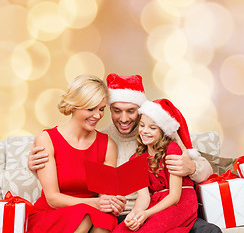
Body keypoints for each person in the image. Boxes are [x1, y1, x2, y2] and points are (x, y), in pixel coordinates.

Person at [28, 73, 221, 232]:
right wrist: (37, 168)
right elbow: (96, 188)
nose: (124, 118)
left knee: (209, 231)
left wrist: (192, 167)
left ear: (142, 110)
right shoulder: (103, 139)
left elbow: (206, 171)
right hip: (126, 215)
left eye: (131, 111)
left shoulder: (160, 134)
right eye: (116, 110)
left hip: (165, 209)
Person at [27, 75, 118, 233]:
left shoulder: (108, 145)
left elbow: (105, 197)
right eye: (91, 109)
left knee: (104, 220)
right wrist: (97, 203)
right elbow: (53, 199)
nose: (97, 116)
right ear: (74, 106)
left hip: (90, 212)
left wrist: (112, 202)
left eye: (101, 109)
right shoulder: (47, 139)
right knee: (85, 216)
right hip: (51, 214)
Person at [113, 98, 198, 233]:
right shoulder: (135, 158)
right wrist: (134, 215)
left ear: (163, 131)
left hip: (180, 202)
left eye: (152, 128)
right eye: (142, 125)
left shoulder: (172, 149)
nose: (145, 131)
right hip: (155, 202)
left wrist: (146, 214)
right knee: (121, 230)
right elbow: (143, 197)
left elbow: (175, 196)